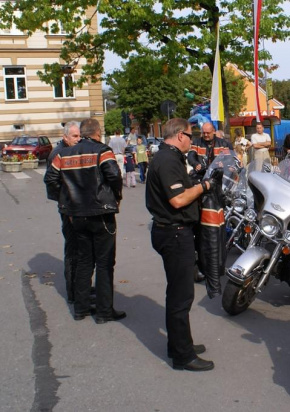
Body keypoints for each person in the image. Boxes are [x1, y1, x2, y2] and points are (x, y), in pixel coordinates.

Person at [145, 118, 216, 372]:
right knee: (181, 296)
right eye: (190, 134)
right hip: (174, 233)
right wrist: (204, 186)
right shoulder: (167, 160)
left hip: (173, 232)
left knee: (178, 293)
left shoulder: (170, 158)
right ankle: (182, 356)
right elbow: (177, 200)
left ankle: (179, 344)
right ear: (180, 135)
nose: (192, 139)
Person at [44, 118, 125, 323]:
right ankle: (104, 312)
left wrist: (66, 206)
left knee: (84, 261)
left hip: (77, 215)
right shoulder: (102, 150)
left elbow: (51, 180)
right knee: (105, 263)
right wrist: (116, 197)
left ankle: (81, 309)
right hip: (101, 214)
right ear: (97, 133)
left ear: (82, 132)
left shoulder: (62, 153)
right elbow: (114, 175)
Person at [45, 121, 82, 304]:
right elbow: (51, 181)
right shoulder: (58, 153)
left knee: (78, 249)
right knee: (73, 249)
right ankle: (73, 292)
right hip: (68, 209)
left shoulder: (67, 150)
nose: (78, 139)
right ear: (65, 137)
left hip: (72, 207)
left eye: (79, 136)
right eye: (75, 136)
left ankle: (80, 287)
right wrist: (66, 202)